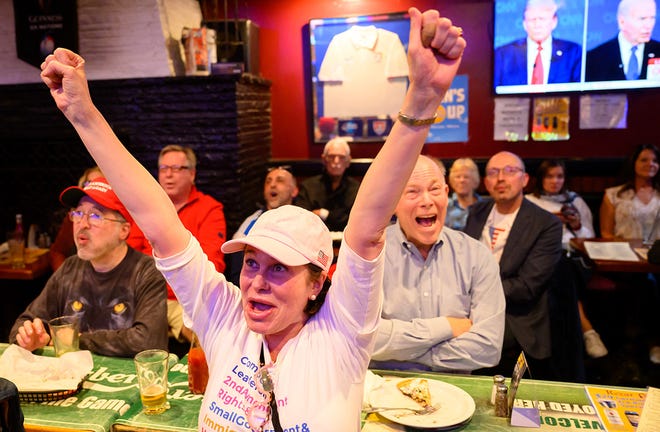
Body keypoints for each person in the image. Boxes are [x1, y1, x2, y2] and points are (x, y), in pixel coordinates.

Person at [38, 7, 465, 429]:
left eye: (279, 267)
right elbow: (159, 222)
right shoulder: (226, 317)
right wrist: (82, 114)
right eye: (253, 263)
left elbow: (367, 229)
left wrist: (422, 100)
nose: (256, 282)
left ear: (317, 282)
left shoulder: (341, 334)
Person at [370, 155, 505, 373]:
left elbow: (488, 347)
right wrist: (446, 327)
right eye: (413, 191)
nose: (426, 201)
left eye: (434, 190)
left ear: (445, 194)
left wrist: (405, 353)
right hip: (386, 391)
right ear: (393, 202)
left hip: (458, 392)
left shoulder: (477, 256)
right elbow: (362, 337)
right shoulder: (370, 257)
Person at [9, 178, 168, 357]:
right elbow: (23, 323)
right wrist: (28, 337)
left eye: (95, 216)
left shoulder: (146, 271)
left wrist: (76, 340)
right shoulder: (70, 267)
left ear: (123, 231)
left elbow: (148, 342)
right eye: (77, 214)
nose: (82, 224)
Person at [464, 151, 563, 380]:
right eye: (493, 172)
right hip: (469, 305)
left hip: (515, 314)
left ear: (525, 180)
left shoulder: (546, 224)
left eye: (510, 171)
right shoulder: (477, 212)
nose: (500, 178)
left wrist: (475, 294)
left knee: (466, 340)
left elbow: (526, 288)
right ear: (486, 182)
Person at [136, 144, 228, 344]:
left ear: (192, 174)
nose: (169, 175)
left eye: (177, 169)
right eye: (163, 169)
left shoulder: (209, 209)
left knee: (202, 338)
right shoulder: (145, 208)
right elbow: (130, 258)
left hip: (185, 301)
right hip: (145, 296)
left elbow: (210, 263)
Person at [525, 159, 608, 359]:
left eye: (559, 176)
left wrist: (577, 224)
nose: (555, 181)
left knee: (562, 266)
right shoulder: (529, 201)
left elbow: (591, 237)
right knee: (557, 266)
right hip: (539, 256)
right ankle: (586, 330)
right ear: (541, 179)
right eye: (549, 176)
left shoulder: (575, 201)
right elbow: (521, 236)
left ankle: (573, 338)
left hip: (574, 256)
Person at [600, 143, 660, 364]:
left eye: (654, 160)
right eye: (644, 160)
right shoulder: (614, 195)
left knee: (650, 280)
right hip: (621, 260)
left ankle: (645, 342)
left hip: (656, 259)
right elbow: (606, 232)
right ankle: (644, 343)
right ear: (633, 164)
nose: (650, 164)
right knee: (643, 282)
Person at [227, 166, 299, 285]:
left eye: (280, 180)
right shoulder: (251, 222)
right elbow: (237, 275)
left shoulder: (304, 221)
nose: (272, 185)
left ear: (294, 191)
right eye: (268, 181)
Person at [494, 0, 581, 87]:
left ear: (554, 22)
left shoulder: (572, 52)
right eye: (532, 19)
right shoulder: (503, 54)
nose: (537, 25)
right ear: (524, 24)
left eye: (542, 19)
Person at [295, 136, 360, 232]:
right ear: (324, 159)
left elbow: (354, 222)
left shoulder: (357, 188)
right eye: (331, 157)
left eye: (341, 157)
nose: (336, 162)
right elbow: (301, 219)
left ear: (348, 161)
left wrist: (323, 213)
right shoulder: (308, 187)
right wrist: (337, 217)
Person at [586, 0, 660, 82]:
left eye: (652, 18)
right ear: (622, 22)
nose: (649, 25)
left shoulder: (658, 51)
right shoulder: (595, 59)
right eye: (642, 19)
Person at [445, 157, 482, 230]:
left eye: (466, 177)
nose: (462, 180)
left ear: (475, 181)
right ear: (452, 181)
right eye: (458, 177)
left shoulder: (484, 207)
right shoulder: (445, 207)